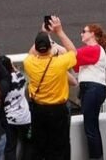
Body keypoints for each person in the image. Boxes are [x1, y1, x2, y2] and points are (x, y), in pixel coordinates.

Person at [24, 17, 76, 160]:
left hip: (38, 110)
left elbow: (31, 53)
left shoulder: (29, 63)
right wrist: (59, 31)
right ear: (50, 47)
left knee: (40, 147)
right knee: (60, 147)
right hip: (58, 111)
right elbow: (73, 51)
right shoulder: (60, 63)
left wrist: (42, 33)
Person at [75, 24, 106, 160]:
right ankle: (97, 156)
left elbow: (73, 53)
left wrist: (59, 35)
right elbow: (76, 65)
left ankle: (96, 157)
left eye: (84, 31)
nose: (81, 34)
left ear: (92, 34)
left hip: (92, 88)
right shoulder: (93, 50)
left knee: (90, 128)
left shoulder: (95, 49)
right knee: (92, 126)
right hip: (92, 89)